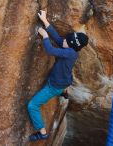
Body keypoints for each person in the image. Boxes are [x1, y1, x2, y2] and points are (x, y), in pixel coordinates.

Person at [27, 10, 88, 141]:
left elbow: (50, 50)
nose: (63, 40)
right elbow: (58, 38)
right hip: (64, 81)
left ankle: (42, 132)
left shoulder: (69, 53)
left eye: (67, 40)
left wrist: (45, 37)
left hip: (54, 86)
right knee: (66, 77)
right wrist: (45, 20)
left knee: (32, 105)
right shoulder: (70, 49)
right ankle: (64, 91)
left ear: (71, 45)